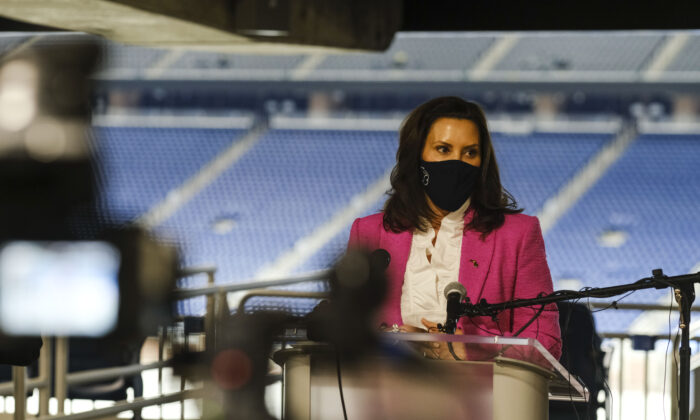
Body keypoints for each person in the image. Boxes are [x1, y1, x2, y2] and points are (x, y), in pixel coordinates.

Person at [347, 96, 561, 361]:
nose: (457, 163)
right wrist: (395, 343)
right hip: (385, 392)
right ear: (417, 156)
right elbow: (346, 328)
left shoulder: (518, 234)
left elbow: (546, 342)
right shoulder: (368, 233)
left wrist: (471, 350)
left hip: (483, 396)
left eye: (470, 153)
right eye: (443, 149)